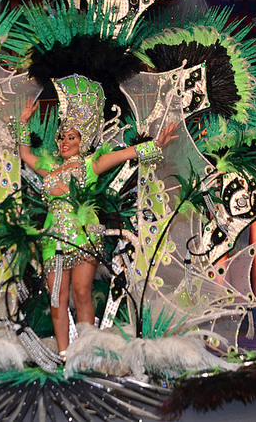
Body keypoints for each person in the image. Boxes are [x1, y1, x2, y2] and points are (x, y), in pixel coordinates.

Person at [17, 75, 178, 361]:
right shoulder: (49, 168)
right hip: (52, 241)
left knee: (81, 294)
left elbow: (127, 153)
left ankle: (86, 354)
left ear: (82, 140)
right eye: (63, 137)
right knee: (57, 300)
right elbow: (25, 154)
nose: (65, 142)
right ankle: (65, 355)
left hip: (82, 237)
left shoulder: (91, 165)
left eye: (72, 137)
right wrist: (24, 121)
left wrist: (157, 144)